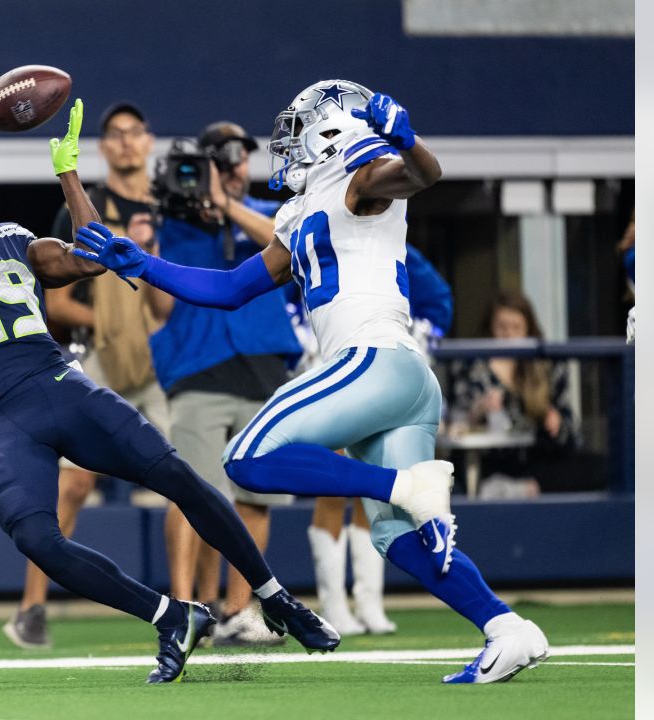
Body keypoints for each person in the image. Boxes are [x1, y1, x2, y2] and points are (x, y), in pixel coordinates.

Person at [73, 80, 549, 684]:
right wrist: (139, 263)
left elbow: (421, 174)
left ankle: (403, 483)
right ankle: (507, 628)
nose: (287, 147)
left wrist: (405, 136)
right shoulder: (301, 210)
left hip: (371, 359)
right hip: (398, 379)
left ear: (334, 134)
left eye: (298, 131)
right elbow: (228, 289)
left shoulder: (363, 176)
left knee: (246, 459)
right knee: (398, 538)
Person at [0, 106, 339, 684]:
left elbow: (90, 258)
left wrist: (70, 177)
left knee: (181, 478)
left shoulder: (11, 239)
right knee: (38, 537)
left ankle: (275, 597)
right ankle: (171, 617)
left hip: (59, 384)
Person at [5, 101, 167, 650]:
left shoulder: (171, 204)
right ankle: (31, 607)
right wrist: (111, 318)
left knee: (190, 479)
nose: (126, 143)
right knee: (73, 482)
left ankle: (205, 598)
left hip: (167, 359)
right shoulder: (80, 210)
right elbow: (52, 302)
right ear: (103, 146)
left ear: (149, 141)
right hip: (102, 354)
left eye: (134, 133)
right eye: (115, 135)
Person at [147, 121, 300, 647]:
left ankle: (238, 610)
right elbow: (160, 306)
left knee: (256, 497)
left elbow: (293, 250)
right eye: (229, 157)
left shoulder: (265, 214)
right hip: (197, 368)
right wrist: (155, 239)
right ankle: (184, 611)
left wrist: (227, 205)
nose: (240, 167)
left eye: (242, 158)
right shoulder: (173, 221)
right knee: (192, 493)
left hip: (262, 368)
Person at [307, 243, 451, 637]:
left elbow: (439, 301)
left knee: (380, 484)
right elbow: (289, 290)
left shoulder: (396, 247)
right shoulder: (314, 235)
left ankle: (369, 602)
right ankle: (334, 604)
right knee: (334, 487)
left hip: (383, 369)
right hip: (328, 363)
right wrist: (303, 336)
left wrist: (421, 336)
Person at [446, 290, 584, 494]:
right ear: (490, 328)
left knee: (595, 467)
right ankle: (506, 489)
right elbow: (454, 427)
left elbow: (571, 431)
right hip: (487, 463)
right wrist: (479, 410)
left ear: (529, 328)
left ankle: (526, 489)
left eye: (516, 328)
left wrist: (556, 422)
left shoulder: (547, 364)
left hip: (537, 460)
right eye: (502, 327)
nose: (509, 335)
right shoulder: (469, 364)